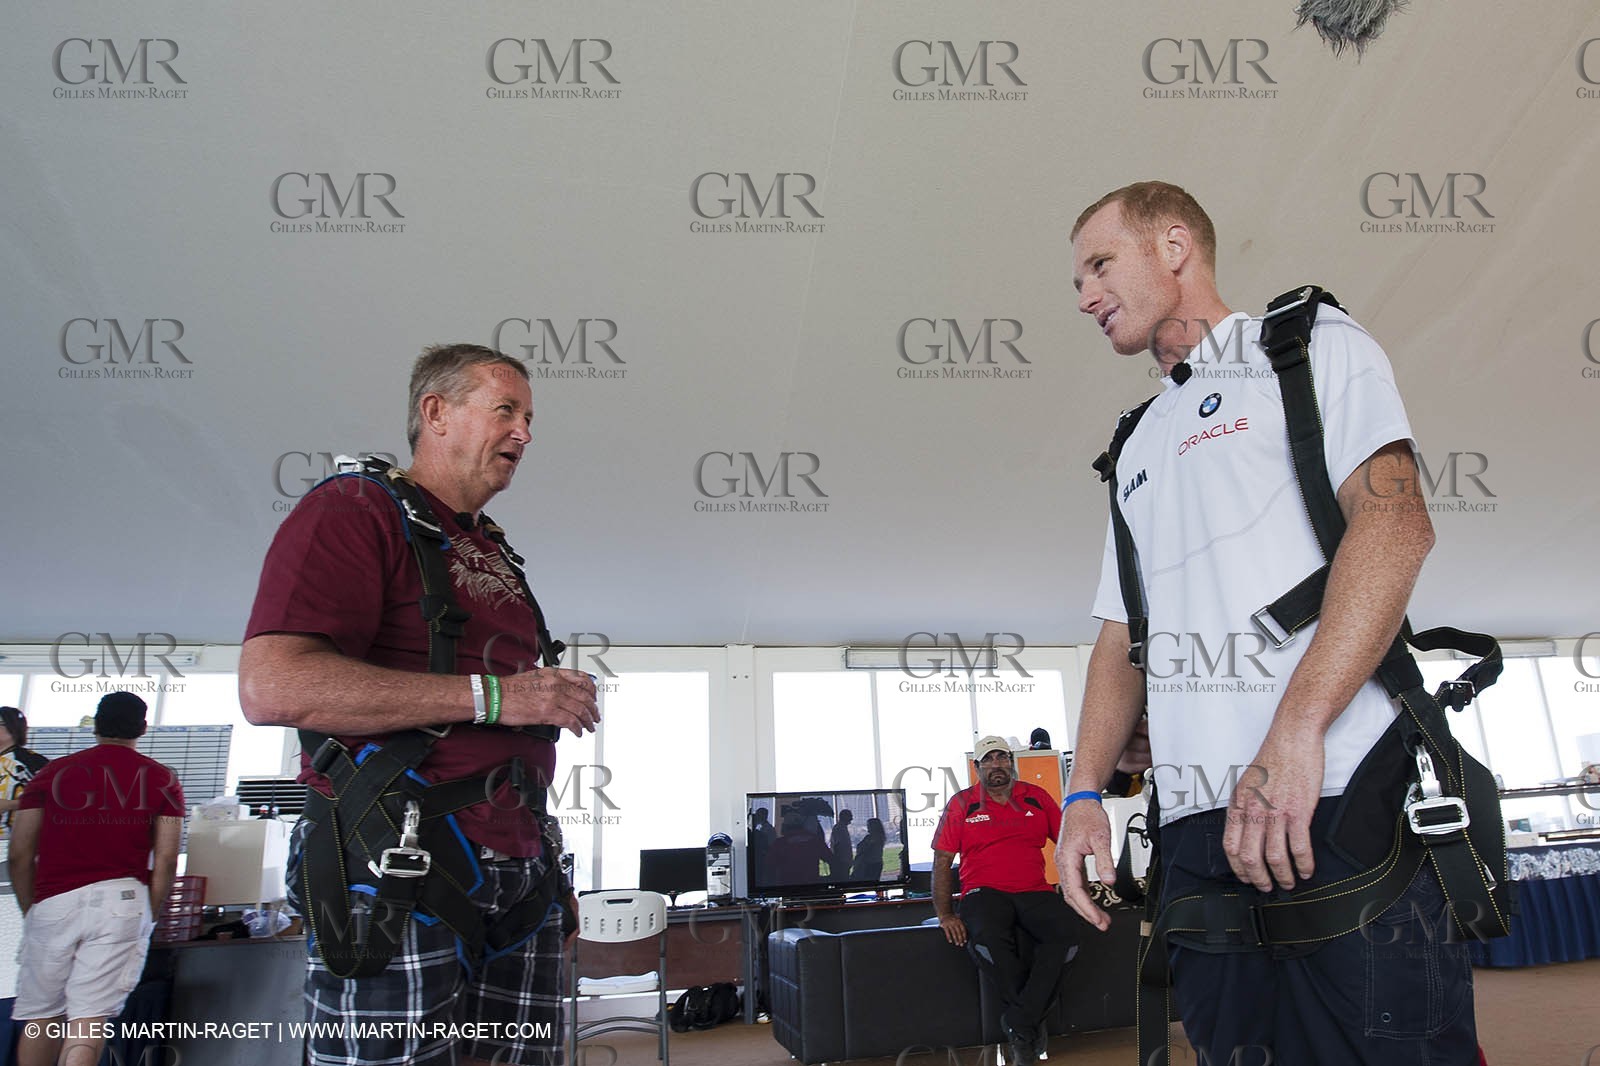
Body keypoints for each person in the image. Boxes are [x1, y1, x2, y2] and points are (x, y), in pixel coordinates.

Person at [1055, 181, 1474, 1064]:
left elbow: (1397, 523)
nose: (1084, 295)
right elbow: (1117, 637)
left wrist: (1296, 728)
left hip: (1332, 790)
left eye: (1100, 264)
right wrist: (1084, 794)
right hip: (1194, 834)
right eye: (1078, 278)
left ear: (1174, 246)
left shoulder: (1305, 343)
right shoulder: (1134, 442)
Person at [239, 343, 601, 1066]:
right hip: (396, 863)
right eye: (507, 411)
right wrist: (499, 695)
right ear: (435, 412)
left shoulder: (490, 549)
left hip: (518, 870)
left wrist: (548, 873)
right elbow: (273, 685)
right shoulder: (353, 510)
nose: (525, 433)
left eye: (530, 417)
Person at [9, 692, 183, 1066]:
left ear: (96, 725)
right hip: (122, 901)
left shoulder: (50, 774)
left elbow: (20, 854)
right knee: (88, 1020)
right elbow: (167, 858)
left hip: (54, 900)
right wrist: (149, 914)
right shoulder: (162, 778)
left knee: (41, 1018)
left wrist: (32, 909)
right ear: (143, 728)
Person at [933, 736, 1078, 1066]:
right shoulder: (961, 804)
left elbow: (1067, 844)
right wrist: (944, 914)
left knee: (1067, 939)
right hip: (983, 892)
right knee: (987, 940)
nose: (996, 765)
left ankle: (1019, 1022)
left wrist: (1078, 887)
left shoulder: (1037, 797)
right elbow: (943, 862)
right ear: (977, 767)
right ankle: (1028, 1026)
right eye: (989, 759)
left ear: (1011, 762)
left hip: (1035, 890)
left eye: (1002, 758)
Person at [0, 706, 48, 886]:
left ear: (12, 728)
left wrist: (9, 804)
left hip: (14, 842)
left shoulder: (29, 761)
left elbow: (54, 799)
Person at [849, 817, 886, 882]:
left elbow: (863, 847)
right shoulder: (879, 836)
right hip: (875, 863)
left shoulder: (873, 837)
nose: (867, 827)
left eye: (869, 825)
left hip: (870, 864)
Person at [829, 807, 854, 877]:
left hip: (843, 861)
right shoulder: (839, 828)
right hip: (841, 862)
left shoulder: (841, 828)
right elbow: (837, 846)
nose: (851, 819)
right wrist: (838, 861)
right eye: (850, 816)